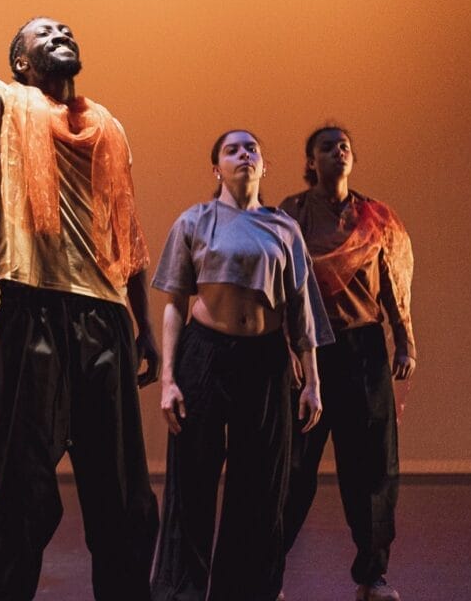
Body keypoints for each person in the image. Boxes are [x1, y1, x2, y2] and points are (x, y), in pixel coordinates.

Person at [0, 0, 161, 598]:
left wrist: (141, 321)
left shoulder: (108, 125)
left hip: (102, 319)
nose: (58, 35)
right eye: (42, 34)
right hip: (32, 315)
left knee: (125, 504)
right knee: (22, 498)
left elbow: (124, 230)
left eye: (64, 27)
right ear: (19, 63)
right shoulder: (9, 106)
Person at [151, 130, 331, 601]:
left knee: (260, 482)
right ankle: (182, 590)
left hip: (265, 359)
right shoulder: (195, 220)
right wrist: (168, 379)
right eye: (232, 150)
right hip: (205, 354)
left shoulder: (283, 228)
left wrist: (312, 382)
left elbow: (301, 311)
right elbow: (174, 303)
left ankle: (246, 590)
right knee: (194, 476)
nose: (244, 154)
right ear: (217, 169)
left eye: (252, 148)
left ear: (263, 166)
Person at [277, 126, 415, 601]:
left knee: (373, 467)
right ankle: (264, 571)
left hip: (363, 351)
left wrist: (404, 342)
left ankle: (372, 576)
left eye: (345, 146)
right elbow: (277, 285)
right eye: (327, 146)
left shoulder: (375, 216)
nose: (339, 151)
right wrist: (286, 349)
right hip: (309, 351)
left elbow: (393, 284)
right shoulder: (289, 213)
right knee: (292, 468)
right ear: (310, 160)